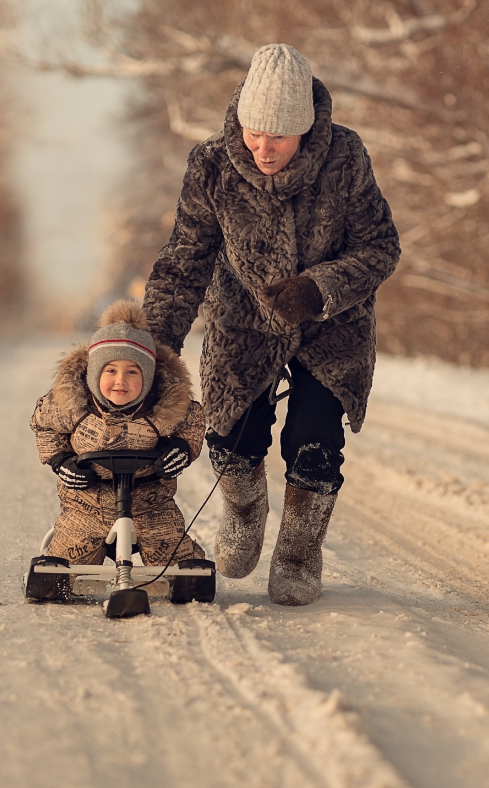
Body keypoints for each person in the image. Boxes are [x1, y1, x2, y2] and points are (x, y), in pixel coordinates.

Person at [142, 43, 400, 605]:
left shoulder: (345, 158)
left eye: (278, 137)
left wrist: (318, 289)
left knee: (313, 443)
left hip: (331, 327)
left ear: (305, 130)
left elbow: (380, 247)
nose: (263, 147)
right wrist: (158, 341)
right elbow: (186, 257)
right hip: (244, 320)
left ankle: (301, 550)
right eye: (254, 131)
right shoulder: (211, 165)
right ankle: (243, 506)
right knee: (232, 440)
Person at [30, 300, 207, 566]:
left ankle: (177, 567)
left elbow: (192, 422)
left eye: (132, 372)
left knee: (182, 570)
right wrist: (61, 461)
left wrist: (181, 448)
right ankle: (65, 560)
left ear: (147, 378)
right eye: (110, 370)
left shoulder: (163, 408)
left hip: (151, 504)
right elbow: (44, 426)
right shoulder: (73, 406)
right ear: (93, 374)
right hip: (87, 504)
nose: (120, 381)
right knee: (61, 574)